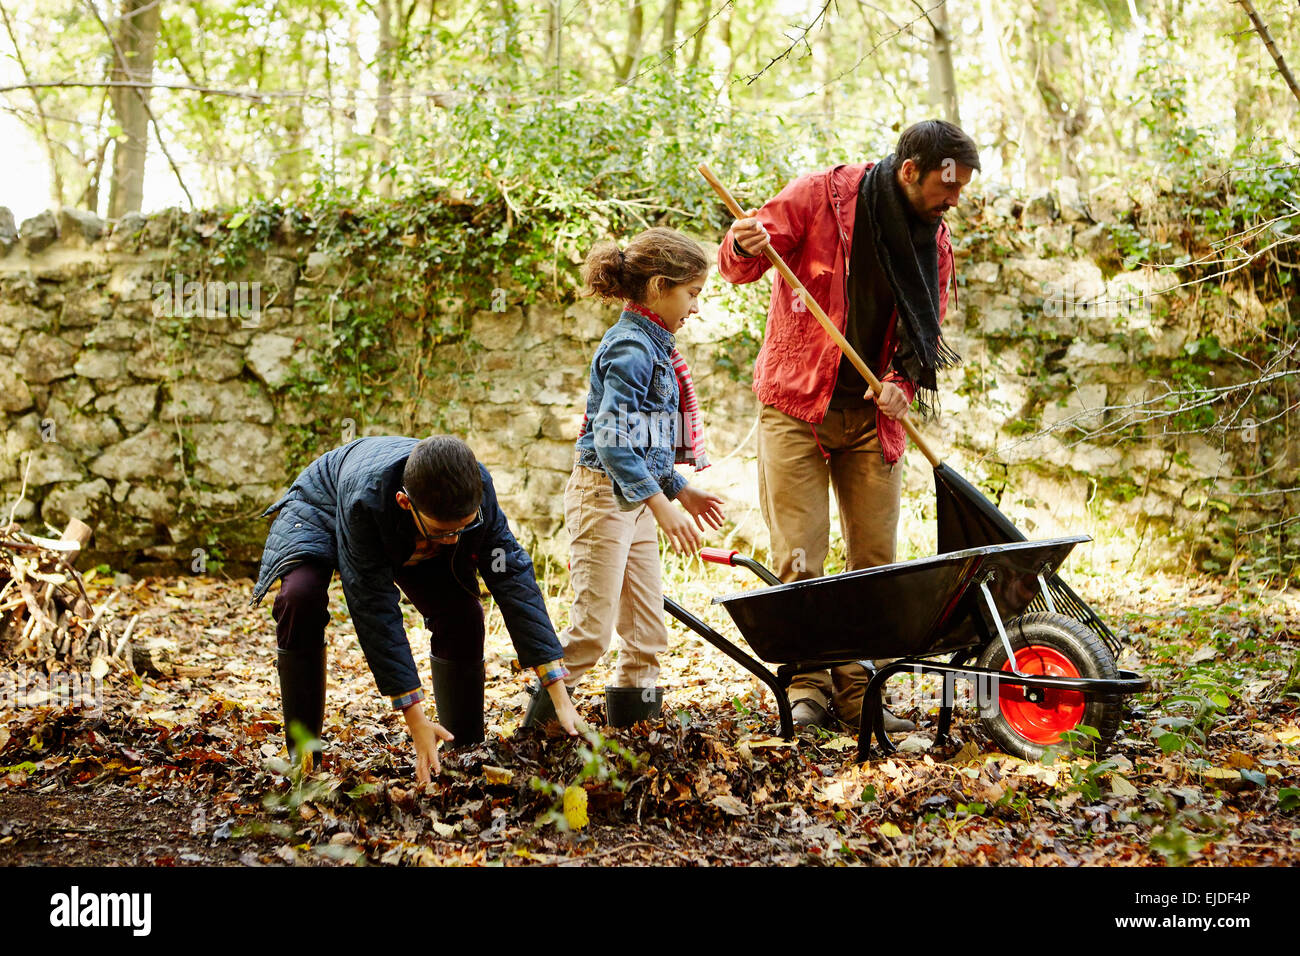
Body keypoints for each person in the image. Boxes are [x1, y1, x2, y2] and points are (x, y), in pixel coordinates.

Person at [718, 119, 979, 731]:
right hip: (795, 409)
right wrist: (741, 242)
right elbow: (741, 265)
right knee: (801, 558)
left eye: (962, 188)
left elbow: (926, 332)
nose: (955, 200)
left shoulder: (934, 245)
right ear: (910, 170)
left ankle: (863, 694)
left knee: (875, 565)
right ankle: (805, 687)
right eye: (948, 186)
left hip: (872, 421)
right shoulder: (821, 196)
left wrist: (902, 386)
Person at [250, 435, 578, 782]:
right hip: (323, 508)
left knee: (463, 615)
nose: (454, 539)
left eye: (463, 528)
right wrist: (416, 720)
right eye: (445, 530)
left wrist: (558, 694)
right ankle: (303, 759)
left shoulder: (475, 487)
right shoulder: (367, 502)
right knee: (300, 598)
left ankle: (462, 751)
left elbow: (511, 576)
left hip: (409, 532)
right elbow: (374, 609)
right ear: (405, 502)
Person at [525, 227, 726, 728]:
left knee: (646, 629)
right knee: (592, 631)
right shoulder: (632, 349)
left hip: (635, 498)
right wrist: (661, 504)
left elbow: (646, 439)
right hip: (603, 497)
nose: (695, 308)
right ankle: (537, 732)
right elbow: (614, 439)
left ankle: (635, 732)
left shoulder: (655, 346)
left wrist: (679, 488)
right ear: (660, 286)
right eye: (692, 294)